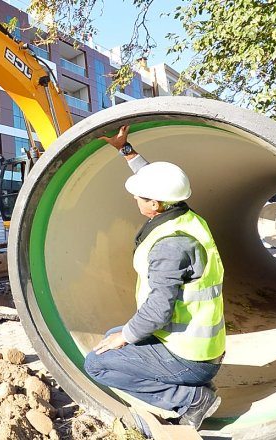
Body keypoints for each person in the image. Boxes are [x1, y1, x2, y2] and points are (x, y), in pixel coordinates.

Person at [83, 125, 225, 430]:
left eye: (139, 196)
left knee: (96, 363)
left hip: (190, 358)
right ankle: (188, 387)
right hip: (199, 346)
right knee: (114, 332)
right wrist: (126, 150)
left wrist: (126, 337)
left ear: (155, 205)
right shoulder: (186, 217)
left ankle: (190, 398)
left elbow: (159, 309)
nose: (135, 198)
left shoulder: (170, 245)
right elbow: (160, 181)